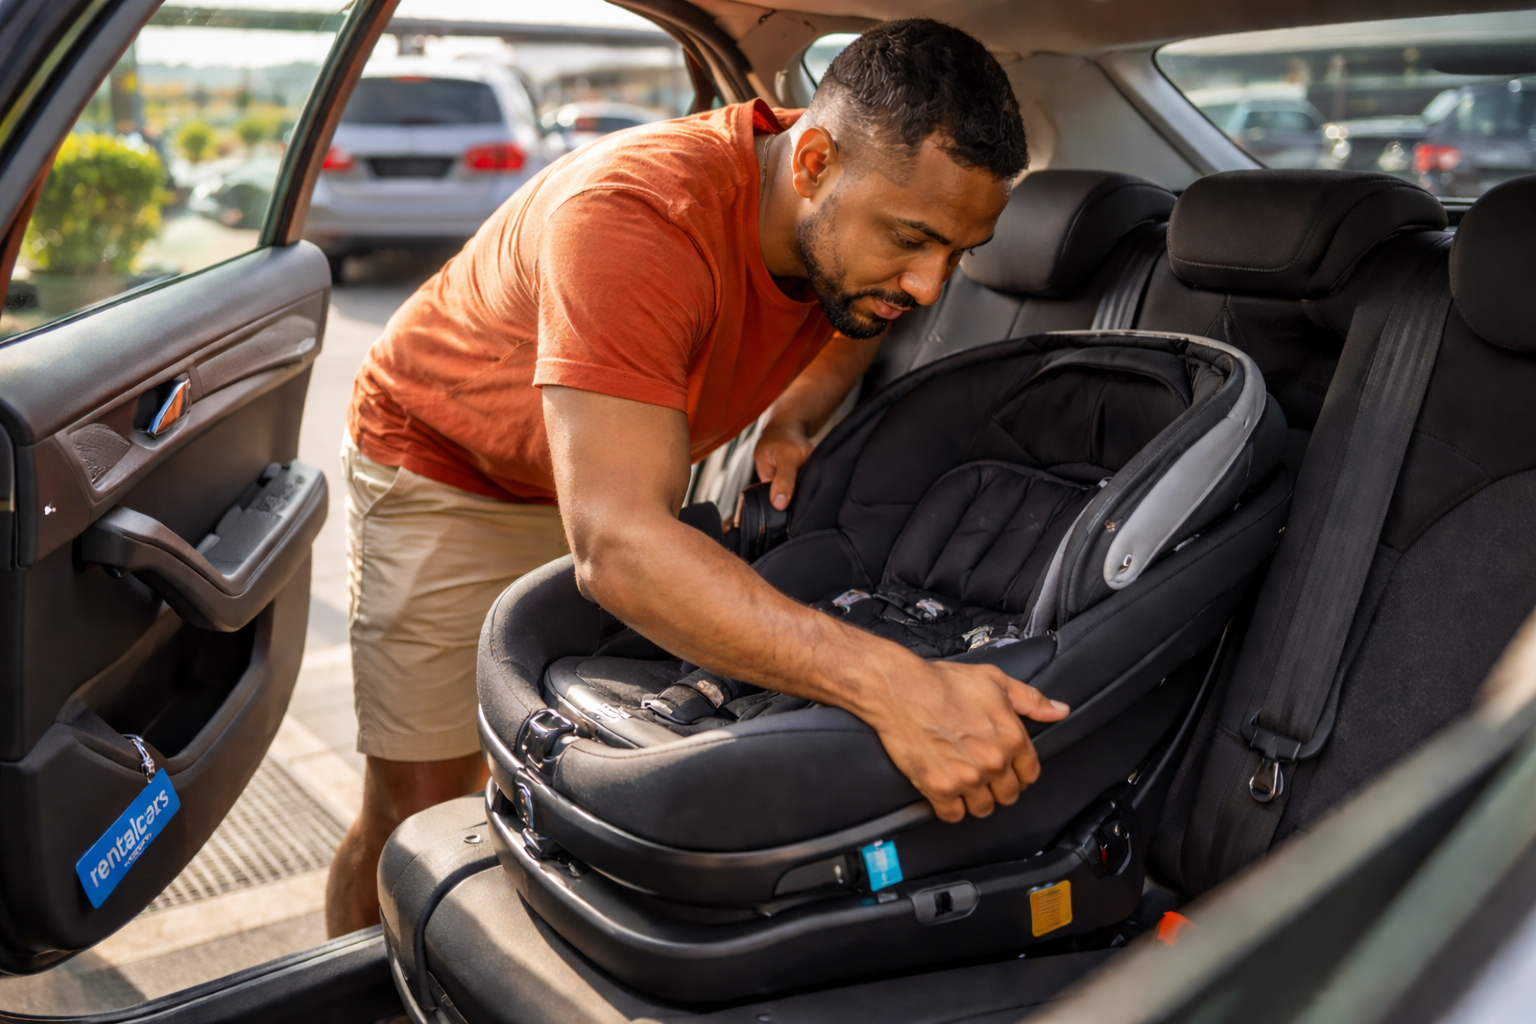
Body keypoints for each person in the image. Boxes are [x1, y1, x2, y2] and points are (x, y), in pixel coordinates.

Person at [325, 18, 1067, 937]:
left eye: (958, 255)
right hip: (448, 461)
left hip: (608, 483)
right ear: (814, 162)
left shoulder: (848, 220)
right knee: (421, 804)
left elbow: (854, 316)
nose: (927, 289)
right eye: (911, 241)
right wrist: (899, 686)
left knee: (526, 789)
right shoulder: (638, 216)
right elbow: (621, 547)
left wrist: (791, 417)